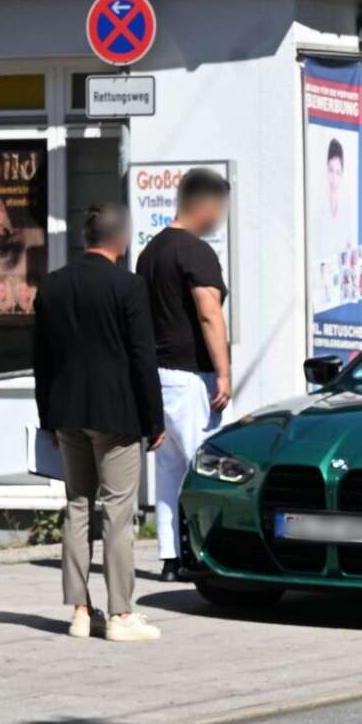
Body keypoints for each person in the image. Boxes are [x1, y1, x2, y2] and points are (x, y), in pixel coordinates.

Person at [33, 204, 164, 642]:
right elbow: (143, 358)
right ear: (121, 240)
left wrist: (47, 416)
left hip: (67, 414)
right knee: (117, 513)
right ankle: (122, 615)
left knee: (76, 507)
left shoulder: (52, 287)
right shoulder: (128, 287)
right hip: (118, 415)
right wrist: (154, 418)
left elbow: (41, 361)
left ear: (86, 239)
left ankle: (80, 611)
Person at [136, 168, 232, 581]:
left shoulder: (149, 253)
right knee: (206, 467)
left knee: (169, 470)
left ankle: (170, 557)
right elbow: (209, 313)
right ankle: (204, 552)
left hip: (157, 375)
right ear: (205, 205)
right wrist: (224, 373)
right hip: (191, 377)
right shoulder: (195, 252)